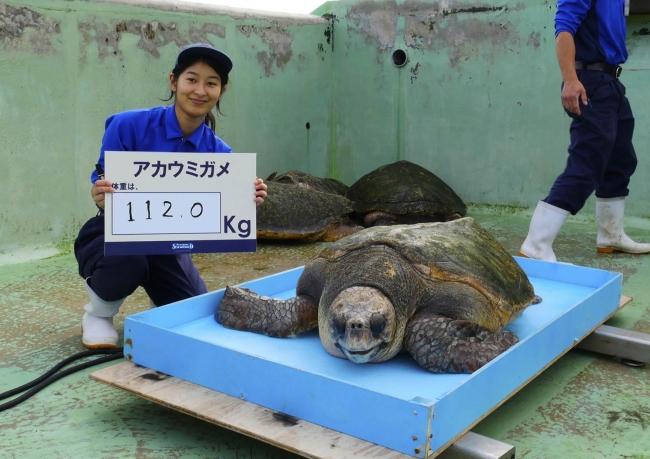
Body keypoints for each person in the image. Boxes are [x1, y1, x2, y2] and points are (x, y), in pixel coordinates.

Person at [74, 43, 268, 349]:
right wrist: (100, 191)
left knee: (193, 313)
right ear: (173, 81)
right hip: (113, 232)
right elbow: (103, 176)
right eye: (192, 79)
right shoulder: (127, 125)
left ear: (221, 90)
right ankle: (99, 314)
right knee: (130, 260)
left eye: (211, 83)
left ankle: (164, 299)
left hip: (169, 244)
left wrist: (249, 197)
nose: (200, 90)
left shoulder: (221, 153)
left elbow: (224, 211)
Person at [519, 0, 650, 262]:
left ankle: (610, 235)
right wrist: (570, 80)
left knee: (620, 159)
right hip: (590, 82)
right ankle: (536, 244)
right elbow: (564, 27)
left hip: (611, 83)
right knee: (587, 162)